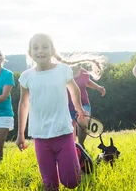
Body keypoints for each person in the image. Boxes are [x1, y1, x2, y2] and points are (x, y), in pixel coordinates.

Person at [16, 33, 85, 191]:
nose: (40, 50)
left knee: (71, 182)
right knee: (49, 184)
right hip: (40, 136)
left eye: (45, 47)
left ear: (53, 50)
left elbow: (74, 90)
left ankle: (76, 152)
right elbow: (23, 103)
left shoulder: (62, 70)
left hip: (63, 132)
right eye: (36, 47)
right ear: (29, 53)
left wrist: (79, 109)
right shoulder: (27, 77)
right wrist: (20, 133)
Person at [58, 53, 107, 146]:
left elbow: (87, 82)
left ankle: (81, 145)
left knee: (83, 120)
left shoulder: (83, 72)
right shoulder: (63, 73)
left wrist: (98, 87)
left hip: (83, 104)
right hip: (67, 106)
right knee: (70, 128)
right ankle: (73, 148)